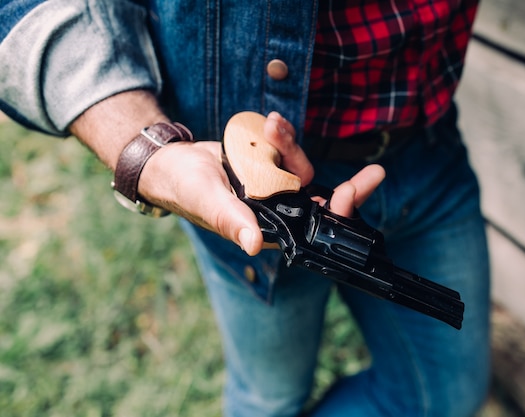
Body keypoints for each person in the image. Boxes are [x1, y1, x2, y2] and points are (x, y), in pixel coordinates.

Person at [0, 1, 491, 416]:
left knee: (447, 397)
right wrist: (145, 151)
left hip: (426, 149)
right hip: (244, 192)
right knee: (268, 400)